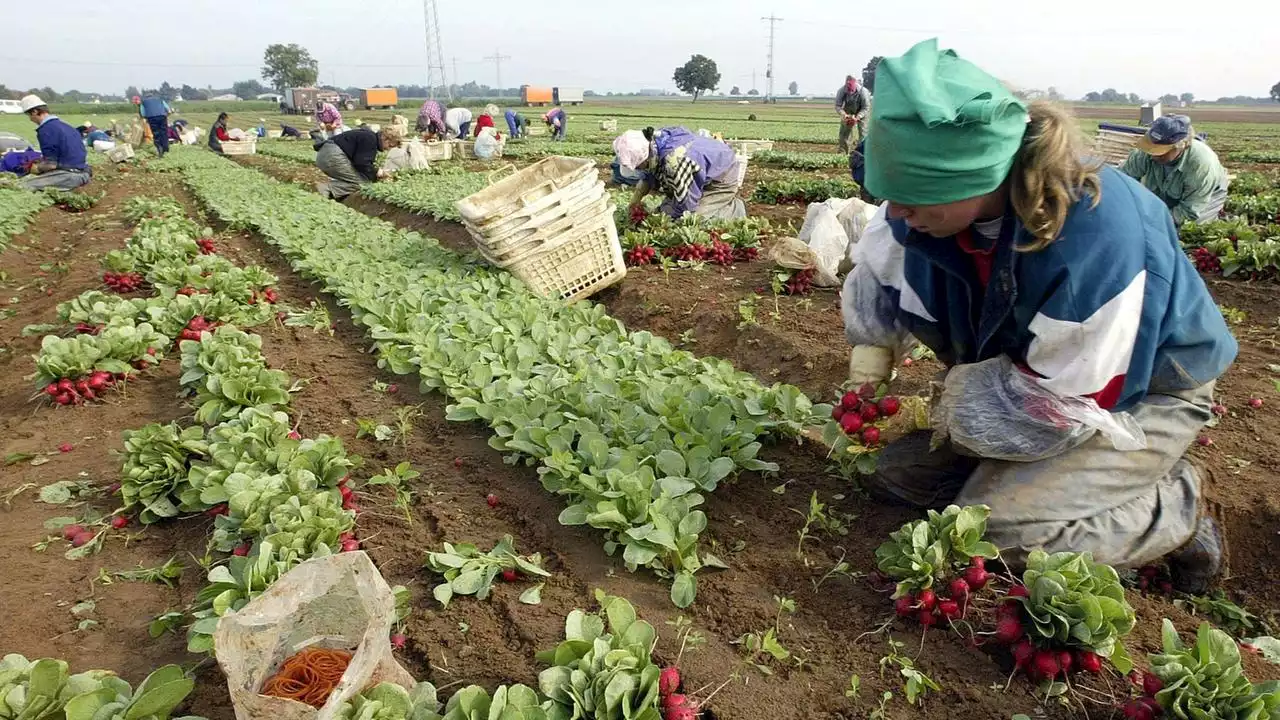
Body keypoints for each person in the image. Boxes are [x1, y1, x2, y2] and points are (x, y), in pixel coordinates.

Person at [841, 39, 1236, 592]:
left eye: (912, 197)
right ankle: (1061, 487)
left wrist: (960, 409)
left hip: (1136, 395)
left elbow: (1069, 397)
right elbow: (880, 274)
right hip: (1021, 381)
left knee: (995, 532)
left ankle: (1175, 507)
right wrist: (873, 351)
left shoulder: (1095, 234)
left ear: (973, 178)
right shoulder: (920, 213)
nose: (897, 211)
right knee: (898, 478)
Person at [1119, 115, 1229, 225]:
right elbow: (1122, 181)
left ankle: (1217, 215)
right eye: (1151, 149)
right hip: (1167, 191)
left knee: (1189, 228)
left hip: (1206, 195)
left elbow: (1189, 211)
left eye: (1160, 152)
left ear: (1181, 146)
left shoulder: (1201, 165)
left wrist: (1154, 222)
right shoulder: (1144, 153)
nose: (1153, 155)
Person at [622, 126, 746, 220]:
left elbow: (687, 204)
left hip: (722, 175)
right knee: (664, 212)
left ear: (645, 158)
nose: (638, 169)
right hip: (701, 168)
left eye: (638, 166)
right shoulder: (654, 142)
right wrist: (635, 200)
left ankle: (734, 209)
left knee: (694, 219)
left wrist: (674, 218)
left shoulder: (675, 161)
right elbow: (647, 176)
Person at [17, 95, 90, 190]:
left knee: (23, 186)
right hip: (84, 172)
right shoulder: (67, 126)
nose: (30, 119)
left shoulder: (46, 130)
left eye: (29, 115)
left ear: (35, 112)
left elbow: (51, 165)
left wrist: (37, 168)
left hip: (70, 176)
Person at [314, 125, 399, 201]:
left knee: (357, 178)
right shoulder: (370, 139)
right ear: (385, 138)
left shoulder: (369, 136)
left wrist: (373, 174)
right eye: (390, 145)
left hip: (326, 155)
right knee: (363, 184)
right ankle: (326, 188)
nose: (388, 149)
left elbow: (361, 164)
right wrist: (378, 172)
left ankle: (334, 191)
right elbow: (362, 164)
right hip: (332, 157)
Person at [835, 75, 872, 153]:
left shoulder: (863, 92)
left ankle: (862, 152)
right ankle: (844, 152)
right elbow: (838, 105)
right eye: (847, 88)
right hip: (848, 111)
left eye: (850, 88)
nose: (849, 91)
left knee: (863, 132)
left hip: (862, 111)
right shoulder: (841, 91)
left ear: (855, 84)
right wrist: (844, 115)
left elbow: (866, 107)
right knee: (844, 132)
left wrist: (858, 117)